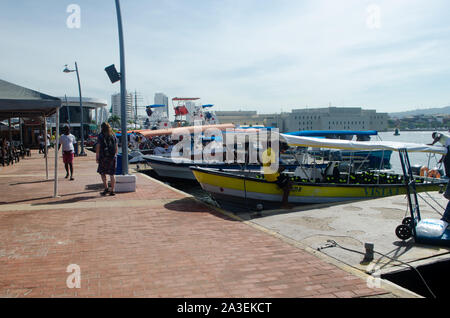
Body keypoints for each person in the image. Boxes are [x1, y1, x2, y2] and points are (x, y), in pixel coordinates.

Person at [261, 140, 292, 208]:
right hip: (272, 176)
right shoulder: (271, 153)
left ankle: (282, 190)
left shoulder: (269, 151)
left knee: (288, 180)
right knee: (287, 186)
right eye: (279, 147)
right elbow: (272, 167)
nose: (280, 148)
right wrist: (281, 168)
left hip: (272, 174)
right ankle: (284, 204)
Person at [96, 122, 118, 196]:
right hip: (112, 157)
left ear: (102, 128)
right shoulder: (113, 135)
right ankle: (112, 190)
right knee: (112, 174)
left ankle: (106, 188)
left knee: (103, 173)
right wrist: (115, 155)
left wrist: (97, 156)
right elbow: (116, 146)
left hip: (103, 157)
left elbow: (98, 146)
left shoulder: (100, 136)